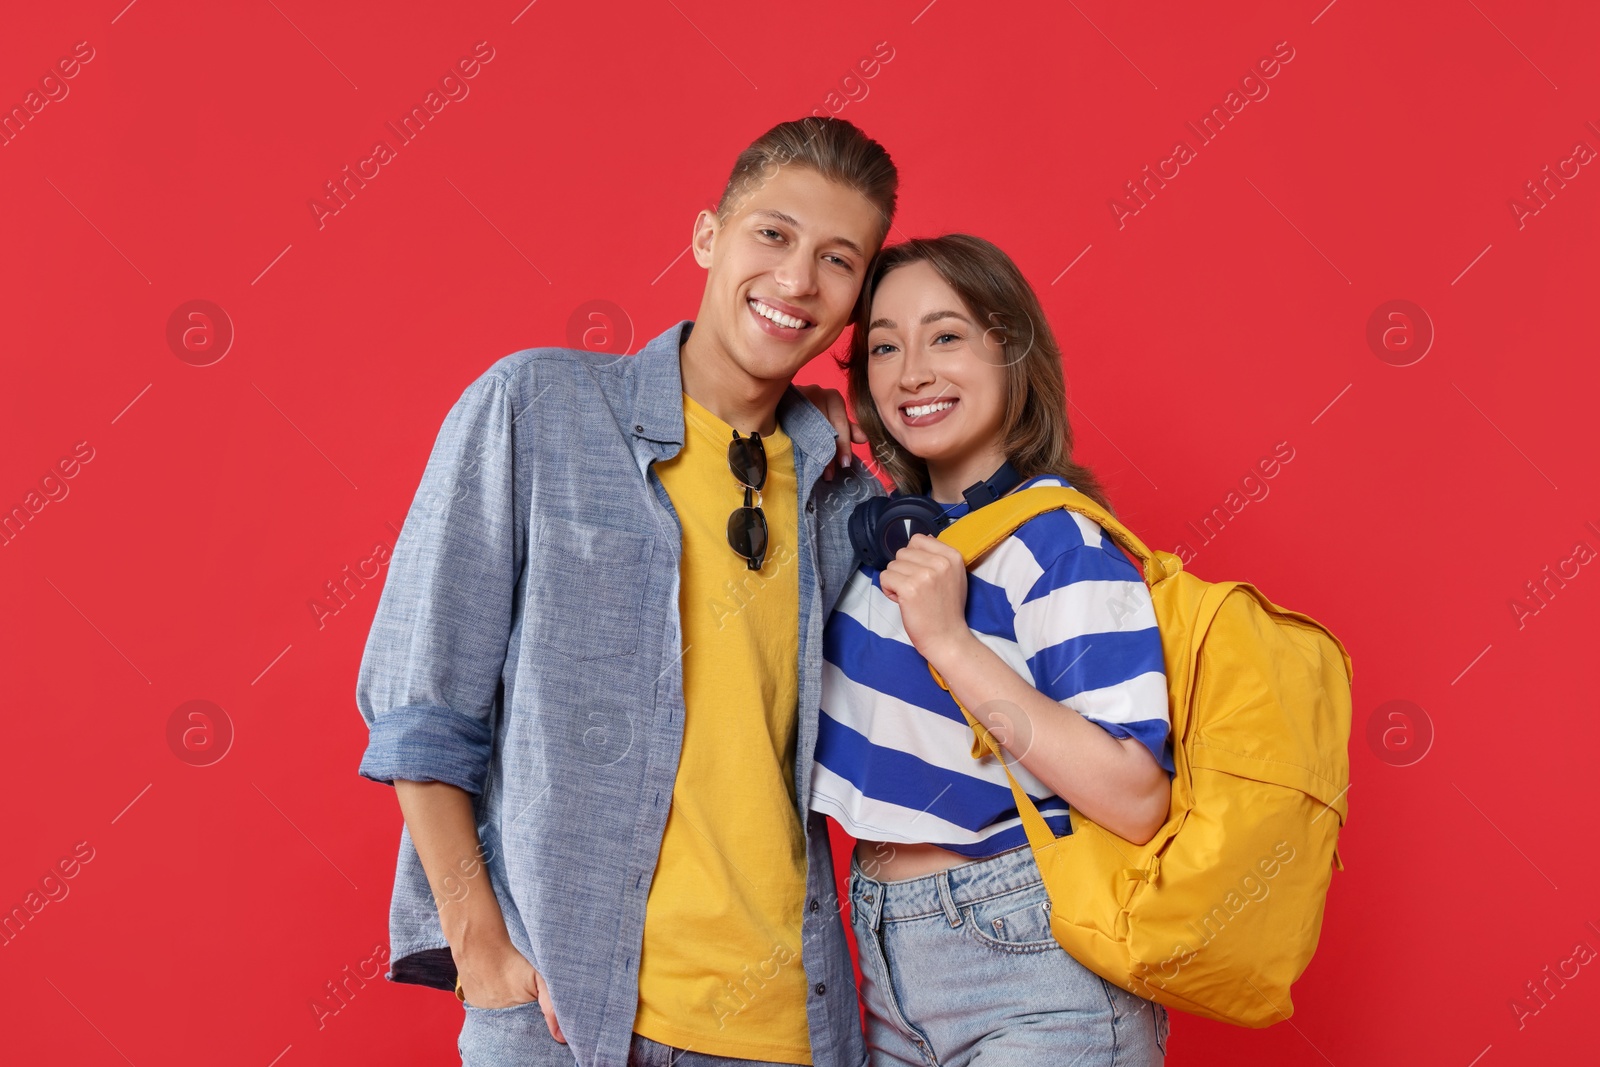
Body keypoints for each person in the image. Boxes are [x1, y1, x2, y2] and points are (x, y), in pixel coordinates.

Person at [354, 116, 896, 1067]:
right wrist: (478, 944)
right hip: (570, 1016)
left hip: (784, 1027)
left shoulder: (836, 489)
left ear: (854, 306)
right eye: (772, 234)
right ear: (706, 237)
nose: (798, 279)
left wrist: (870, 444)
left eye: (837, 260)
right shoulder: (538, 409)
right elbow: (420, 706)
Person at [812, 234, 1175, 1065]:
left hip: (1035, 964)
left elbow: (1134, 795)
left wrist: (948, 640)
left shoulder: (1055, 541)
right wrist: (804, 423)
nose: (911, 372)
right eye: (883, 346)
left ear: (1011, 352)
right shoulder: (886, 541)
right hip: (879, 959)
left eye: (945, 336)